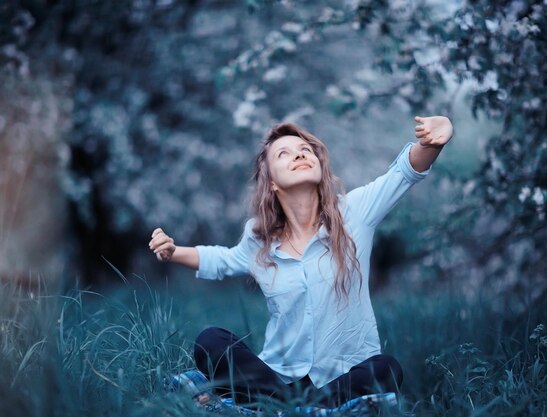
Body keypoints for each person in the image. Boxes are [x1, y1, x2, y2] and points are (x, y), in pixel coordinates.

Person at [148, 116, 453, 408]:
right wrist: (174, 251)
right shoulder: (259, 238)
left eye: (305, 150)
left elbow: (400, 175)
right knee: (210, 340)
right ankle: (304, 409)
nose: (299, 155)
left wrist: (433, 143)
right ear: (271, 184)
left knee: (386, 369)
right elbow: (223, 259)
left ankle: (274, 408)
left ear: (320, 166)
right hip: (276, 376)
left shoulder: (355, 214)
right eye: (284, 154)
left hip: (342, 379)